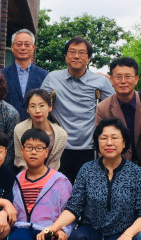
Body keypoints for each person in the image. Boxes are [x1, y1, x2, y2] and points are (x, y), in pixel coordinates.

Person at [44, 118, 141, 240]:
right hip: (93, 231)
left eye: (115, 138)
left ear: (124, 143)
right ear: (97, 143)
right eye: (104, 138)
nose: (109, 143)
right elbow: (74, 207)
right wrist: (54, 227)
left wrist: (128, 234)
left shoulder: (136, 173)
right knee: (77, 239)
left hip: (123, 232)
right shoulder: (87, 169)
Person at [41, 36, 114, 183]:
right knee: (60, 188)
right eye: (72, 52)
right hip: (60, 146)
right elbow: (40, 103)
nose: (76, 56)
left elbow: (114, 107)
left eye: (81, 53)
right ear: (66, 55)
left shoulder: (100, 81)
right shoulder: (52, 78)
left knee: (88, 188)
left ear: (88, 58)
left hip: (90, 146)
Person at [6, 129, 73, 240]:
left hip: (49, 229)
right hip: (23, 227)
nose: (33, 152)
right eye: (29, 147)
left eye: (39, 148)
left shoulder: (59, 181)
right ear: (22, 151)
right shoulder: (17, 179)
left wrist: (63, 230)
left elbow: (69, 209)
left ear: (46, 152)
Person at [95, 57, 141, 166]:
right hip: (119, 167)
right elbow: (101, 142)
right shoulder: (103, 108)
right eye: (118, 77)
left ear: (136, 79)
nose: (123, 81)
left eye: (127, 76)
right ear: (111, 80)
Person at [12, 88, 67, 171]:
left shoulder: (61, 135)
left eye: (42, 106)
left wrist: (43, 177)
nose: (37, 111)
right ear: (27, 109)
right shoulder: (20, 129)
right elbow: (20, 160)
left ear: (50, 107)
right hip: (24, 174)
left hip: (50, 176)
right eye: (33, 106)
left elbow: (54, 164)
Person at [2, 29, 48, 120]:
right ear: (12, 47)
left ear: (33, 48)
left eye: (27, 44)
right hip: (7, 125)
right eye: (19, 44)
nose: (23, 48)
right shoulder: (1, 75)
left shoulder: (45, 76)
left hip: (35, 125)